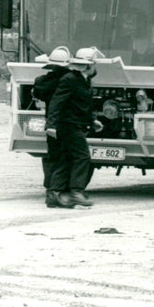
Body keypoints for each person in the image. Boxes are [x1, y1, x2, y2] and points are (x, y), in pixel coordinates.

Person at [46, 46, 105, 208]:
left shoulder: (84, 81)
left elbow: (81, 105)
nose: (95, 68)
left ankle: (54, 195)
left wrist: (92, 121)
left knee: (65, 158)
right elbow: (56, 102)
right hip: (68, 126)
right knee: (82, 156)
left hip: (76, 125)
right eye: (94, 64)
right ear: (88, 66)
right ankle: (76, 192)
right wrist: (51, 125)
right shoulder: (70, 79)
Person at [32, 46, 72, 207]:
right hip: (66, 123)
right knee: (65, 158)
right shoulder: (68, 80)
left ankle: (50, 190)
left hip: (50, 122)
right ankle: (59, 191)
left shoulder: (42, 81)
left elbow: (37, 93)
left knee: (52, 156)